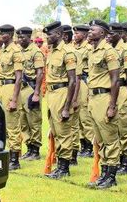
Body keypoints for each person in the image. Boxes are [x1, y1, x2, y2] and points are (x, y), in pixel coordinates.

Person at [86, 19, 121, 189]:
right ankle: (105, 171)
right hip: (93, 98)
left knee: (110, 138)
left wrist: (112, 105)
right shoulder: (93, 51)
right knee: (99, 138)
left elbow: (115, 80)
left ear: (102, 33)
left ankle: (111, 175)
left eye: (93, 30)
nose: (90, 31)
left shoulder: (109, 51)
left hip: (104, 97)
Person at [43, 21, 79, 179]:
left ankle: (64, 167)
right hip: (51, 94)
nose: (47, 38)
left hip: (62, 92)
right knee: (55, 129)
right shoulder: (52, 52)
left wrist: (67, 106)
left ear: (58, 34)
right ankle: (59, 164)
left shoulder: (67, 52)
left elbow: (73, 80)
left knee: (64, 131)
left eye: (49, 35)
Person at [107, 23, 127, 175]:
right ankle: (115, 158)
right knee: (112, 126)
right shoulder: (107, 50)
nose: (108, 36)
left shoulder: (126, 49)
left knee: (125, 126)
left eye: (112, 33)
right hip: (111, 90)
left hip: (123, 89)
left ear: (120, 34)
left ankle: (126, 162)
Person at [0, 24, 24, 170]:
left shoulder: (15, 51)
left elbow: (19, 78)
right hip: (1, 88)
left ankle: (15, 159)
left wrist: (13, 99)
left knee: (12, 125)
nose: (1, 36)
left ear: (11, 34)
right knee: (4, 125)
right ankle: (7, 155)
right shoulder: (3, 50)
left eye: (4, 34)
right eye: (0, 34)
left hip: (11, 87)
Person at [16, 27, 45, 161]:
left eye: (23, 38)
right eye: (19, 37)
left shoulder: (36, 52)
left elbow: (40, 73)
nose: (20, 40)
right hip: (21, 89)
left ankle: (35, 150)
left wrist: (37, 93)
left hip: (31, 88)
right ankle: (28, 147)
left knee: (34, 120)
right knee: (23, 120)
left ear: (29, 37)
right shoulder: (18, 51)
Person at [73, 24, 94, 159]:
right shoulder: (74, 47)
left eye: (78, 34)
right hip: (76, 81)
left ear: (85, 35)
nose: (75, 36)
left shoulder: (89, 48)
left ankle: (90, 145)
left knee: (85, 116)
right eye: (74, 34)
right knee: (78, 115)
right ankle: (83, 144)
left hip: (85, 81)